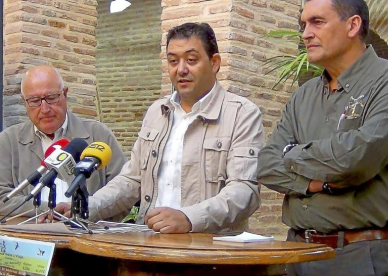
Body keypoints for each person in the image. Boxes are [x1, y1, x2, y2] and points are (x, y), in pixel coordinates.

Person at [54, 22, 264, 233]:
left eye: (191, 60)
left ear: (215, 62)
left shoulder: (241, 114)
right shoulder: (157, 112)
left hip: (209, 249)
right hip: (150, 241)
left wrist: (189, 219)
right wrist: (86, 207)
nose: (181, 69)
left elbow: (244, 191)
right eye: (173, 61)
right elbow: (132, 179)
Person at [257, 0, 388, 275]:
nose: (305, 33)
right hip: (295, 252)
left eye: (317, 22)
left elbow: (354, 159)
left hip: (360, 256)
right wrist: (322, 184)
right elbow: (267, 166)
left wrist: (291, 153)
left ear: (353, 25)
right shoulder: (302, 97)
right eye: (303, 24)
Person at [0, 65, 127, 220]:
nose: (45, 108)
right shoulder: (8, 141)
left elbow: (124, 192)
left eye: (51, 98)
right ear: (24, 102)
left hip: (89, 236)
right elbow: (2, 198)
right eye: (34, 101)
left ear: (65, 94)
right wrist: (44, 210)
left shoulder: (98, 135)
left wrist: (88, 210)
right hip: (32, 238)